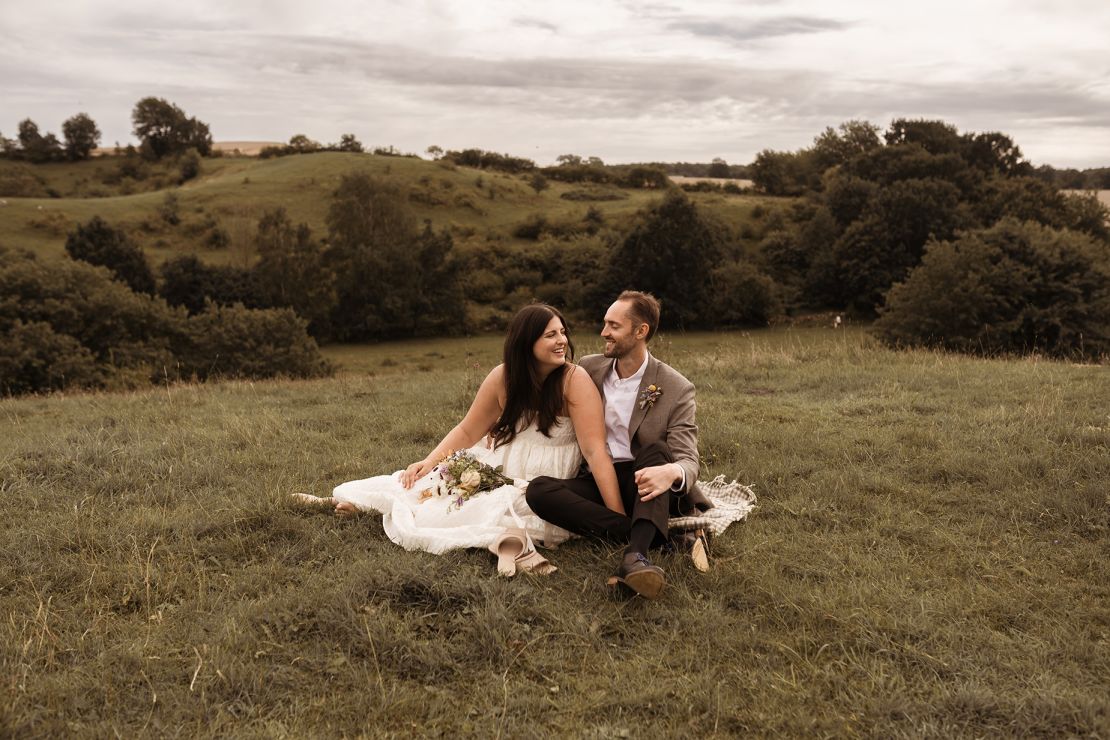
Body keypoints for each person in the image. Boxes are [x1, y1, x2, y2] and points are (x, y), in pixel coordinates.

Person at [292, 304, 624, 575]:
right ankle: (356, 503)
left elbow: (595, 452)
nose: (561, 340)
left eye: (562, 332)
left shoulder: (573, 380)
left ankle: (369, 510)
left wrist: (617, 518)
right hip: (497, 465)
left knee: (478, 511)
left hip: (540, 480)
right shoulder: (504, 376)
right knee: (428, 488)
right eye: (551, 334)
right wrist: (430, 460)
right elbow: (468, 431)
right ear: (527, 342)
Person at [526, 291, 712, 599]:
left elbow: (688, 458)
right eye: (604, 324)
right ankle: (660, 539)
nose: (603, 333)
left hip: (649, 484)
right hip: (601, 478)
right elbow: (542, 389)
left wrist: (671, 473)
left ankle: (636, 555)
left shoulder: (676, 387)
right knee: (539, 490)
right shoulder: (588, 368)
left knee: (656, 451)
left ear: (641, 332)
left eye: (613, 326)